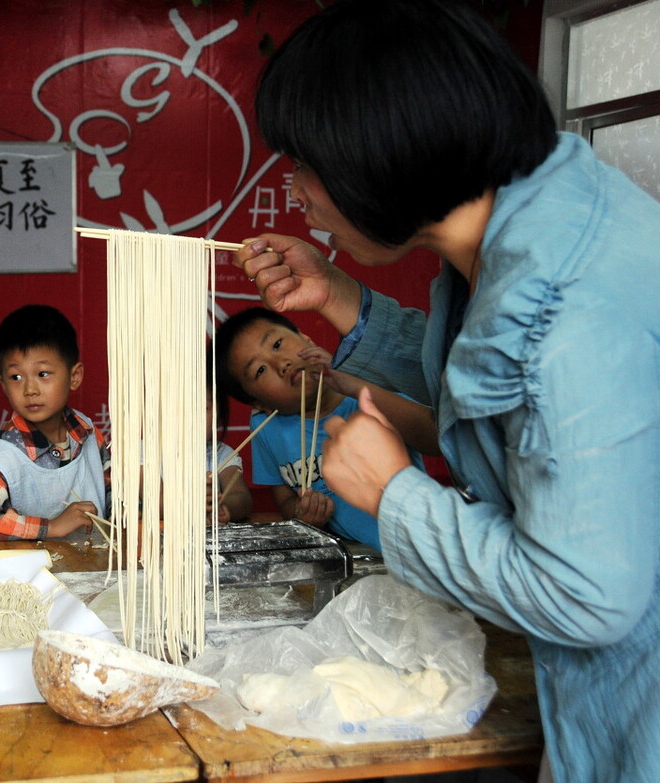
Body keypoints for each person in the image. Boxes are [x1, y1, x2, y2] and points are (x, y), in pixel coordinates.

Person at [233, 1, 660, 779]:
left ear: (377, 155)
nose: (295, 190)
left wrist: (393, 493)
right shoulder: (534, 223)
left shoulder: (571, 311)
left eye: (305, 164)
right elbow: (486, 387)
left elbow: (588, 595)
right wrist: (337, 294)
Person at [216, 307, 432, 549]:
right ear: (259, 404)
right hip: (361, 557)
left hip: (427, 544)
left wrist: (352, 386)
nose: (281, 363)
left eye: (277, 344)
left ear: (305, 338)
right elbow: (285, 499)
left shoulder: (369, 390)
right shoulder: (265, 428)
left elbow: (435, 439)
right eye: (260, 370)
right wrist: (303, 515)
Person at [0, 304, 108, 540]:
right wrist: (51, 527)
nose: (30, 389)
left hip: (95, 568)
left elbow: (111, 488)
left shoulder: (85, 430)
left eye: (42, 374)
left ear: (74, 377)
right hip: (31, 574)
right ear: (2, 384)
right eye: (16, 377)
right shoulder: (6, 453)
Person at [206, 356, 252, 524]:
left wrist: (226, 507)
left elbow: (241, 497)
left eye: (203, 408)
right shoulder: (147, 451)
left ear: (219, 418)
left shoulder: (222, 453)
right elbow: (154, 499)